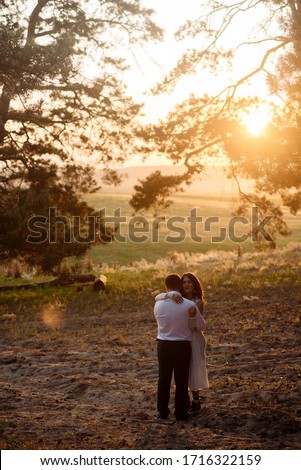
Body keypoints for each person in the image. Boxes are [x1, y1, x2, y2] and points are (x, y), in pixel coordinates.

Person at [154, 273, 206, 421]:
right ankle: (181, 412)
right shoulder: (189, 305)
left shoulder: (158, 304)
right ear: (179, 286)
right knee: (181, 379)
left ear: (166, 287)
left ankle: (162, 411)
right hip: (181, 345)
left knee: (163, 379)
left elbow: (158, 298)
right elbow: (202, 325)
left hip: (163, 344)